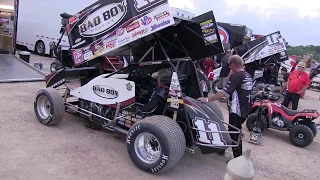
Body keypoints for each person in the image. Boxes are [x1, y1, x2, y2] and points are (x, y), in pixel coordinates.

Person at [198, 55, 253, 159]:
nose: (229, 68)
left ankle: (238, 159)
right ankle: (222, 148)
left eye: (229, 65)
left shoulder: (237, 76)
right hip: (245, 108)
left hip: (237, 110)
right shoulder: (247, 75)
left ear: (232, 64)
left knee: (234, 133)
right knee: (234, 129)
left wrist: (207, 99)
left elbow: (223, 92)